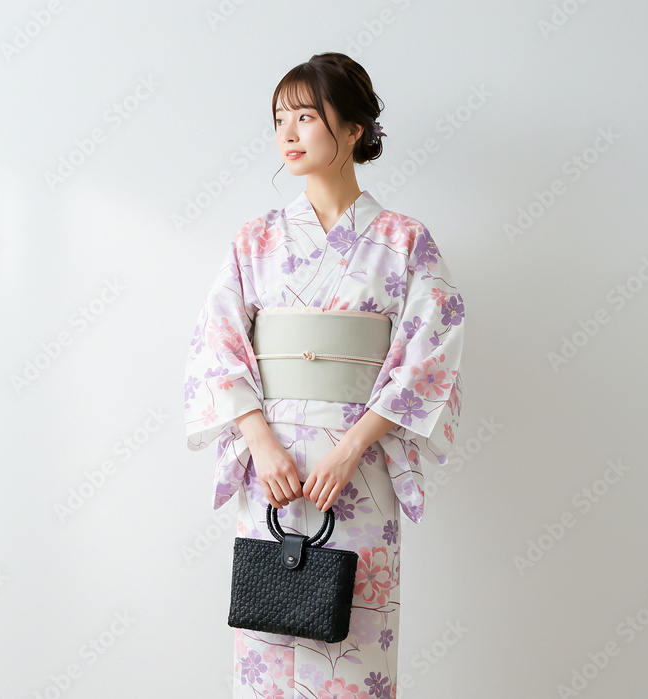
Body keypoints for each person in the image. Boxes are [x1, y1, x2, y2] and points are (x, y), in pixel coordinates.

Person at [183, 52, 466, 698]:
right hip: (273, 472)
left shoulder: (404, 241)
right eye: (279, 119)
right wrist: (259, 442)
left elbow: (432, 350)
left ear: (353, 129)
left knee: (356, 654)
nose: (287, 133)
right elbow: (215, 344)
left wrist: (350, 449)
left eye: (306, 117)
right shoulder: (254, 240)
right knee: (267, 644)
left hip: (358, 470)